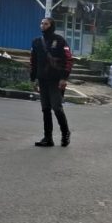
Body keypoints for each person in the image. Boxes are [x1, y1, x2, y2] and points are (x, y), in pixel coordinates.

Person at [29, 17, 73, 147]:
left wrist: (64, 78)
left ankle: (65, 134)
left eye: (46, 24)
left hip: (56, 80)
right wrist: (33, 78)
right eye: (41, 23)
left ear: (52, 25)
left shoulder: (59, 41)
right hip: (42, 80)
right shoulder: (36, 42)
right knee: (45, 109)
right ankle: (48, 138)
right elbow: (33, 61)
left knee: (57, 108)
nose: (43, 25)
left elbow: (68, 60)